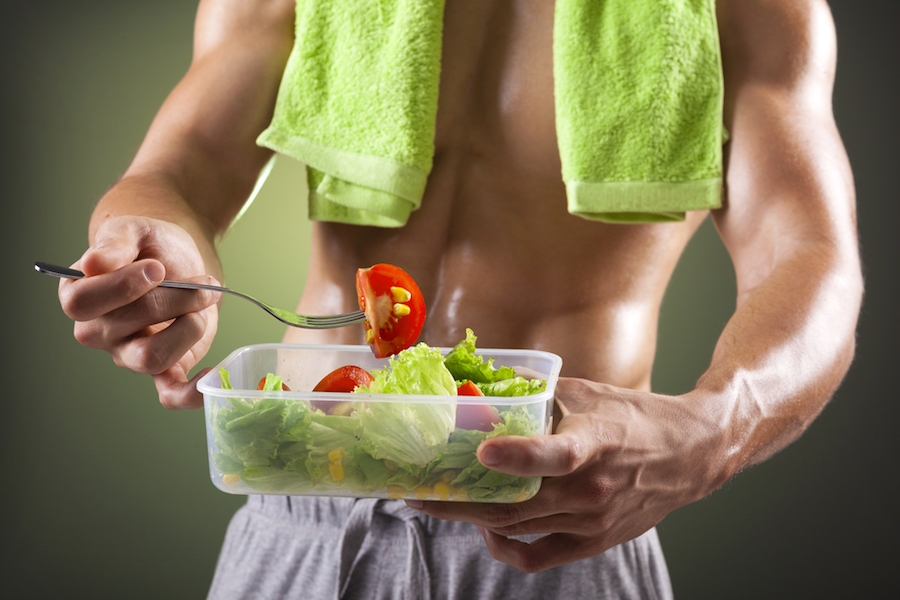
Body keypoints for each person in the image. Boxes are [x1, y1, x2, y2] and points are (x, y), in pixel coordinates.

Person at [56, 0, 863, 598]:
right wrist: (149, 239)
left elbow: (813, 255)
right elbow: (182, 166)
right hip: (304, 514)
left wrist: (715, 428)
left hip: (556, 533)